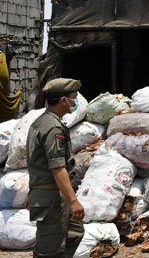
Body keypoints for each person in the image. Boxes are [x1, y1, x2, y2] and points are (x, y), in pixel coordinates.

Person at [26, 78, 85, 258]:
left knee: (75, 232)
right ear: (62, 100)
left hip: (50, 194)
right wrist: (73, 200)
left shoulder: (44, 122)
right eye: (73, 99)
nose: (74, 103)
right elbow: (57, 168)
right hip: (52, 198)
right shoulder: (52, 128)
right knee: (49, 251)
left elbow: (39, 161)